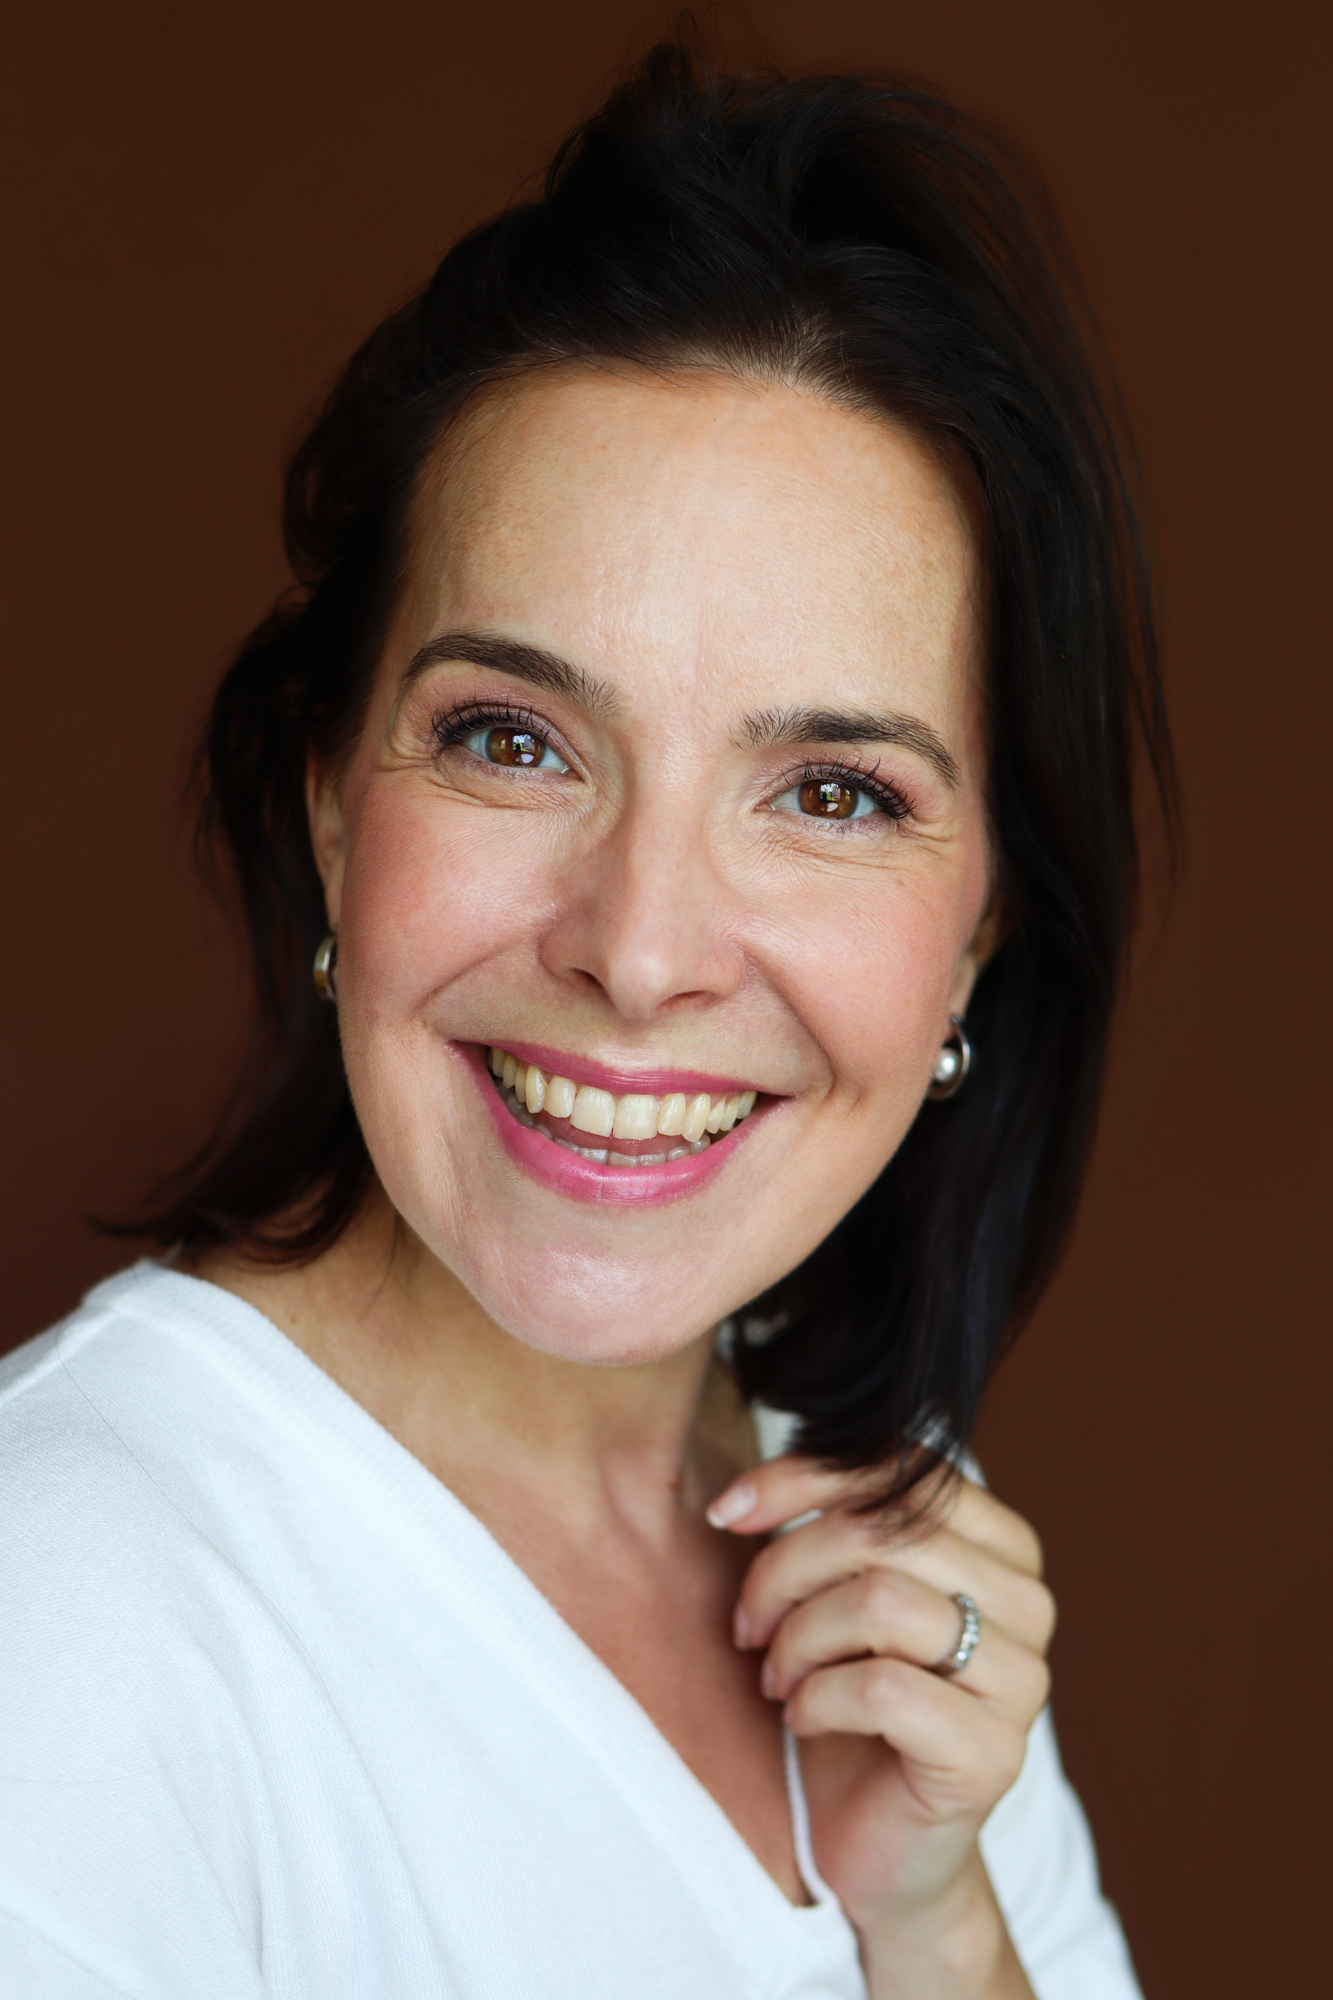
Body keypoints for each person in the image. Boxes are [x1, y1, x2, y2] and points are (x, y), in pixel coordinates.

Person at [0, 39, 1173, 2000]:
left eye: (830, 792)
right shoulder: (68, 1615)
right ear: (329, 803)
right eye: (514, 740)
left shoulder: (891, 1554)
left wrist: (936, 1923)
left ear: (978, 931)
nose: (639, 951)